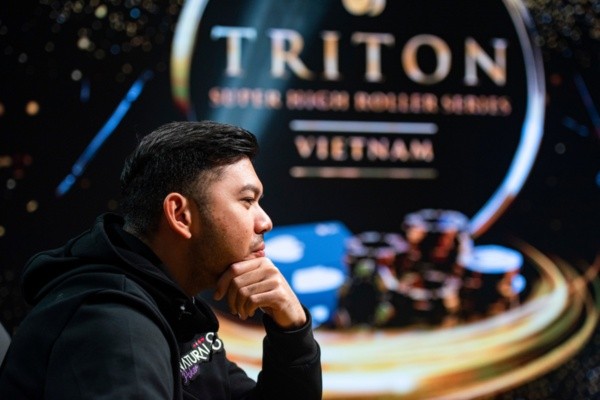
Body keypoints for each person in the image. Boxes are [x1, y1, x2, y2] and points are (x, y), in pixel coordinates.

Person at [0, 121, 322, 399]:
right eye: (247, 201)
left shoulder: (171, 305)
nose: (265, 222)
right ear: (180, 215)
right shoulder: (116, 330)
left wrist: (291, 329)